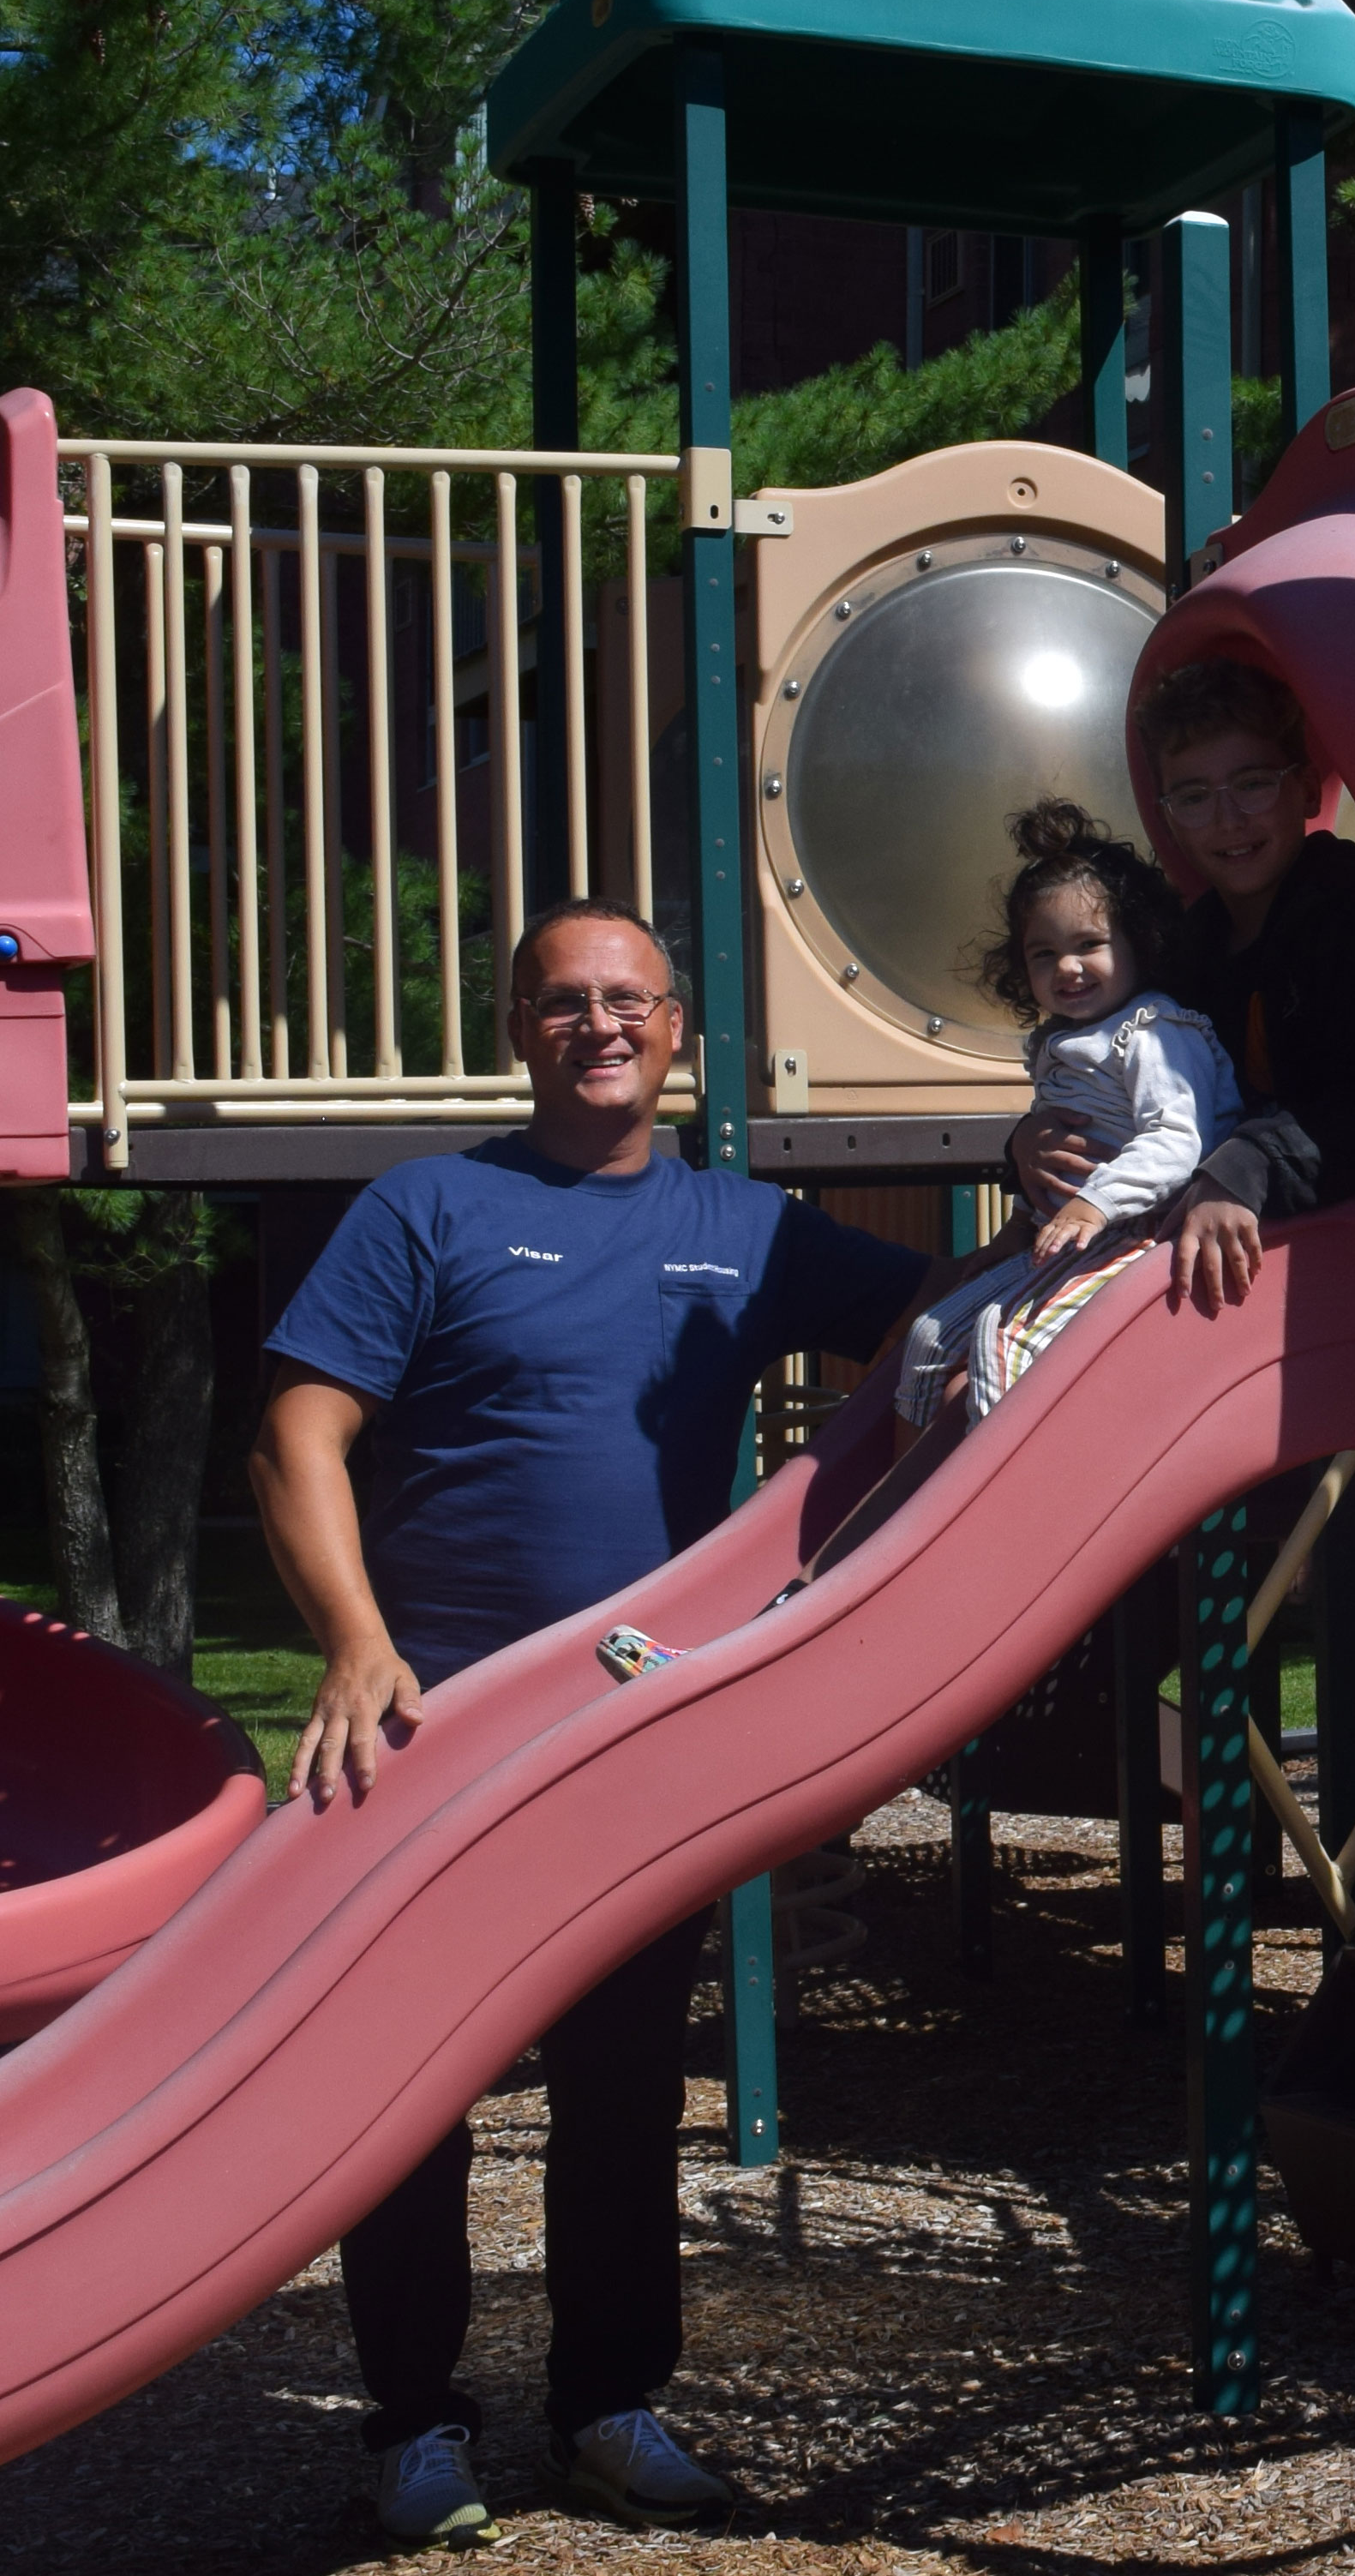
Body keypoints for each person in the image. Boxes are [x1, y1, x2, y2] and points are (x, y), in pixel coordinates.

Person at [255, 899, 953, 2543]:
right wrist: (355, 1646)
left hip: (635, 1735)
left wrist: (1093, 1195)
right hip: (436, 1727)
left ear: (677, 1029)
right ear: (519, 1028)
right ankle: (415, 2426)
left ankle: (609, 2408)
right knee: (406, 2095)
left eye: (628, 1000)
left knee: (627, 2087)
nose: (600, 1026)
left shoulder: (747, 1227)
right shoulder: (430, 1207)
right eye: (564, 1003)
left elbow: (959, 1319)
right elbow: (298, 1428)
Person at [1014, 657, 1355, 1286]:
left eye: (1253, 783)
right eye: (1193, 796)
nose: (1227, 819)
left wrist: (1244, 1166)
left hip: (1351, 1258)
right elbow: (1121, 1079)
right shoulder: (1188, 945)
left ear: (1307, 789)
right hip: (1206, 1239)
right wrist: (1026, 1144)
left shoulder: (1351, 913)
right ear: (1168, 818)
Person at [896, 800, 1239, 1432]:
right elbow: (1057, 1154)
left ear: (1138, 941)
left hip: (1133, 1235)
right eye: (1044, 954)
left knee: (1006, 1349)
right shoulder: (1058, 1043)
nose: (1068, 968)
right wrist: (1019, 1225)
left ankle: (1000, 1511)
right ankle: (911, 1505)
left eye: (1088, 945)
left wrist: (1094, 1203)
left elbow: (1177, 1138)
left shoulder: (1155, 1031)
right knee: (928, 1338)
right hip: (1067, 1238)